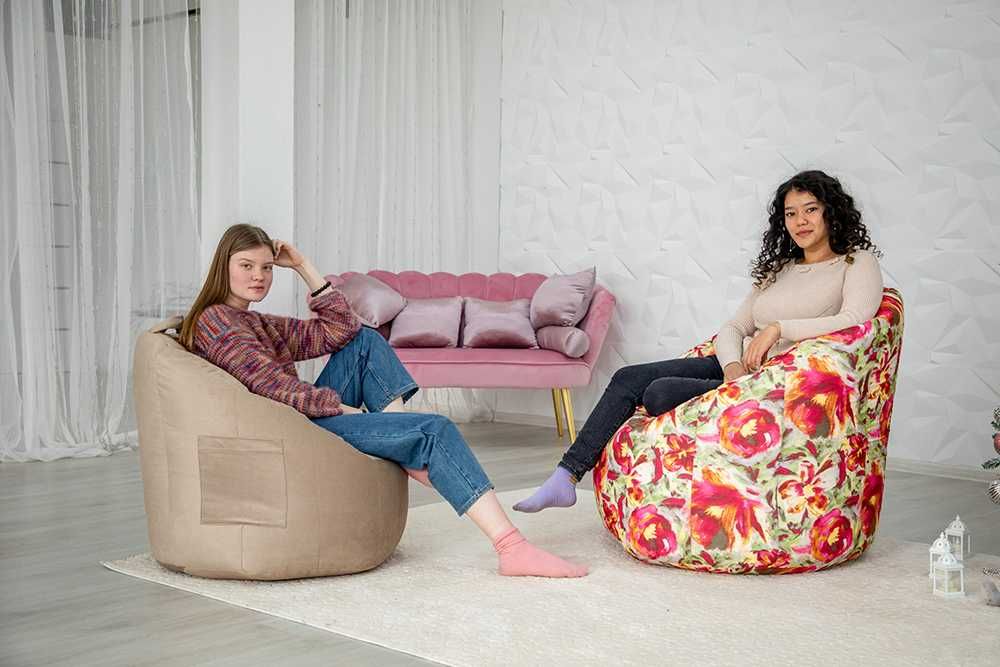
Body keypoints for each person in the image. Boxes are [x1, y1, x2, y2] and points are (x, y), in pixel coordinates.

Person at [180, 223, 587, 578]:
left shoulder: (254, 320)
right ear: (223, 267)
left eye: (267, 267)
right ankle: (511, 548)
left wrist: (303, 266)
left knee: (364, 341)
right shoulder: (217, 321)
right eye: (246, 266)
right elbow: (273, 390)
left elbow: (342, 329)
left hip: (300, 416)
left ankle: (405, 448)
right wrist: (342, 407)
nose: (259, 276)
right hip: (294, 426)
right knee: (434, 430)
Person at [514, 169, 884, 513]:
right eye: (791, 213)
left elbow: (854, 320)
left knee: (658, 394)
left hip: (777, 382)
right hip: (738, 369)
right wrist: (732, 367)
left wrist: (778, 328)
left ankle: (568, 477)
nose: (800, 221)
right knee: (628, 377)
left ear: (831, 211)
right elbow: (734, 327)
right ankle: (566, 476)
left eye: (811, 209)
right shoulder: (780, 269)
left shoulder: (856, 263)